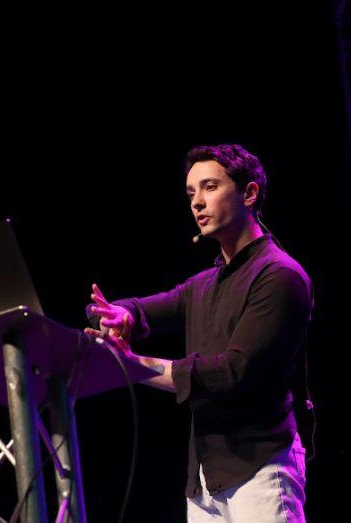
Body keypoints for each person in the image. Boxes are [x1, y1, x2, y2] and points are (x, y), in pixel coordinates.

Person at [85, 144, 313, 522]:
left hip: (260, 469)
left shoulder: (279, 276)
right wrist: (119, 315)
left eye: (209, 187)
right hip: (206, 480)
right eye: (191, 193)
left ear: (249, 193)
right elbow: (141, 308)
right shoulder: (204, 284)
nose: (197, 203)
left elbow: (232, 372)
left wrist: (136, 364)